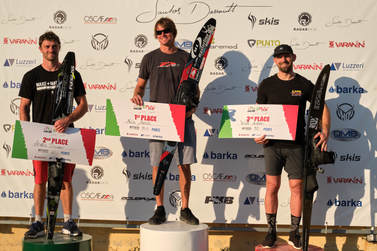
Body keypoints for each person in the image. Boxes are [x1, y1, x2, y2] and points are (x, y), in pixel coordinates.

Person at [254, 44, 331, 249]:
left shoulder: (304, 84)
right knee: (272, 187)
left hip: (297, 145)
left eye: (286, 56)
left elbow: (322, 107)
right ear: (275, 60)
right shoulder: (266, 84)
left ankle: (294, 234)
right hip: (272, 145)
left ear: (293, 57)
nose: (283, 60)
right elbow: (258, 113)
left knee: (296, 187)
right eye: (279, 57)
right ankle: (271, 233)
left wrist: (325, 131)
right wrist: (256, 133)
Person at [130, 17, 200, 225]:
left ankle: (185, 209)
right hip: (158, 119)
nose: (163, 35)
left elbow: (194, 88)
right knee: (157, 164)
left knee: (184, 164)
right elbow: (140, 86)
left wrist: (193, 106)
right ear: (156, 35)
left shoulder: (186, 57)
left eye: (166, 31)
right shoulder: (149, 58)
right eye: (159, 32)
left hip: (182, 118)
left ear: (173, 32)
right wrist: (136, 95)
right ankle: (159, 208)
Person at [19, 31, 88, 238]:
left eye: (54, 46)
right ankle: (38, 223)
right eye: (47, 46)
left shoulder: (72, 75)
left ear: (59, 47)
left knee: (65, 179)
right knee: (40, 180)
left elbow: (83, 105)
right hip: (40, 137)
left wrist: (67, 120)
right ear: (40, 48)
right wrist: (27, 133)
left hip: (65, 136)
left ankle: (68, 221)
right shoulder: (31, 76)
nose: (51, 50)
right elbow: (24, 107)